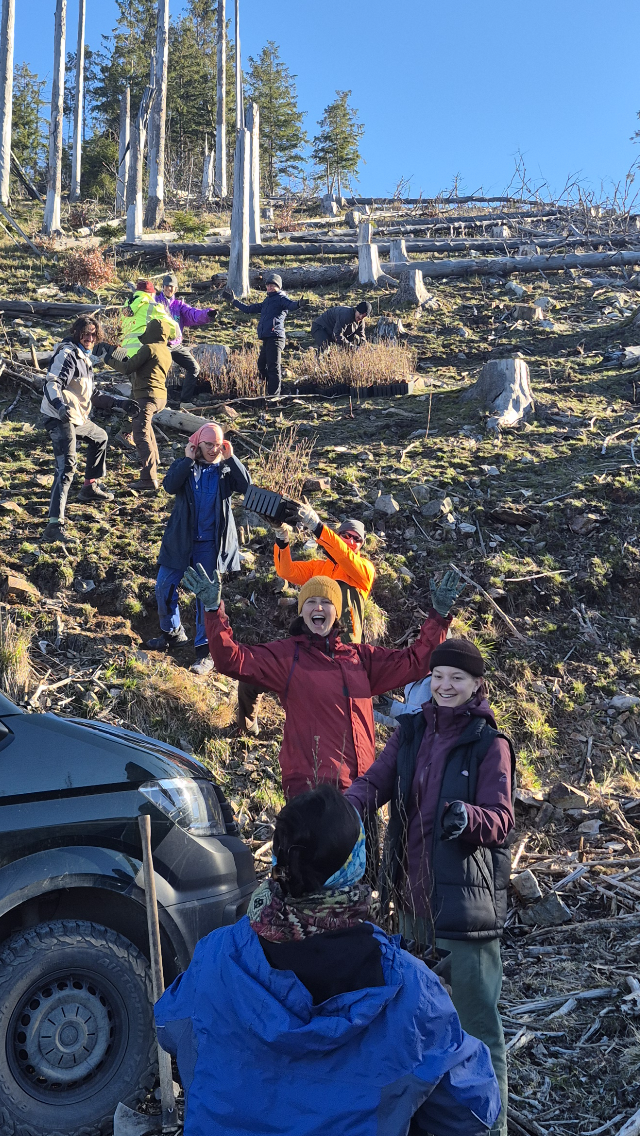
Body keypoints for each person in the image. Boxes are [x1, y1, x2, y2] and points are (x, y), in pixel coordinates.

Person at [155, 784, 501, 1136]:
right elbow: (471, 1108)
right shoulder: (410, 989)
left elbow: (169, 1028)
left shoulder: (216, 955)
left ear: (279, 860)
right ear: (356, 865)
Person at [345, 639, 516, 1136]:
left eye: (457, 678)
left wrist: (469, 817)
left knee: (477, 1028)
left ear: (476, 685)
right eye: (438, 676)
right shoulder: (412, 731)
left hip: (464, 912)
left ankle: (493, 1126)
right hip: (410, 903)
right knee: (419, 1025)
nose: (445, 685)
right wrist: (339, 809)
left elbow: (502, 819)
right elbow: (374, 783)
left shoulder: (490, 744)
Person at [181, 562, 462, 800]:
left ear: (336, 612)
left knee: (364, 852)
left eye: (326, 602)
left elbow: (415, 662)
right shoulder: (287, 656)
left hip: (363, 791)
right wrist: (213, 609)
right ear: (302, 612)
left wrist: (438, 616)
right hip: (312, 791)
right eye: (311, 602)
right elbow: (232, 659)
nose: (319, 606)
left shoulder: (361, 659)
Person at [235, 509, 377, 738]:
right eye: (346, 535)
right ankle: (247, 728)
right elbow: (286, 570)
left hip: (341, 655)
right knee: (252, 673)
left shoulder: (363, 570)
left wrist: (317, 526)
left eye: (357, 539)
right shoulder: (318, 568)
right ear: (338, 535)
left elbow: (343, 556)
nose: (351, 541)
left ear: (361, 545)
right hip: (307, 646)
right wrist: (282, 537)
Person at [147, 422, 250, 676]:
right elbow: (169, 486)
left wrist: (232, 458)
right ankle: (172, 633)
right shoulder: (186, 466)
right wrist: (187, 460)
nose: (213, 450)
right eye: (208, 445)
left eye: (218, 445)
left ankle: (206, 651)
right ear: (197, 444)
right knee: (163, 586)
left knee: (206, 597)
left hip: (210, 546)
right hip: (180, 540)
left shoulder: (225, 470)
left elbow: (246, 485)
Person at [40, 316, 139, 545]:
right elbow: (52, 382)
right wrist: (59, 406)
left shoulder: (84, 358)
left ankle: (90, 487)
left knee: (100, 436)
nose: (90, 337)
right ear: (76, 332)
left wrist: (120, 403)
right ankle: (54, 526)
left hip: (75, 415)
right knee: (66, 467)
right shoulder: (67, 354)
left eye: (94, 334)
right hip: (59, 416)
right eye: (85, 333)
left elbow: (92, 394)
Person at [107, 318, 173, 491]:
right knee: (147, 431)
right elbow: (136, 365)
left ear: (150, 332)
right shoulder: (165, 351)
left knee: (140, 435)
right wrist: (116, 353)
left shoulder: (149, 348)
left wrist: (107, 358)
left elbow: (127, 368)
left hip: (146, 397)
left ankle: (149, 479)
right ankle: (154, 464)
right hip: (159, 398)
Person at [226, 272, 308, 397]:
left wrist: (298, 304)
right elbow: (248, 309)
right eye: (268, 285)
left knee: (273, 367)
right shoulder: (267, 301)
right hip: (267, 338)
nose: (269, 287)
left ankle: (274, 396)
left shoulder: (281, 298)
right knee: (261, 365)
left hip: (276, 337)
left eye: (272, 285)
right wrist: (233, 301)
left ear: (278, 286)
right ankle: (277, 389)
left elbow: (291, 305)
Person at [155, 273, 218, 405]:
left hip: (176, 345)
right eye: (167, 286)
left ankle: (185, 401)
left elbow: (193, 314)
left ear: (176, 289)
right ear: (162, 287)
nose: (169, 289)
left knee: (194, 368)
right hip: (160, 344)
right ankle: (156, 400)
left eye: (172, 286)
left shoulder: (179, 305)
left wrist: (208, 314)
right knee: (158, 371)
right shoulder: (155, 302)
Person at [120, 279, 179, 358]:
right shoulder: (153, 306)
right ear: (151, 294)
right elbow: (172, 327)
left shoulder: (126, 307)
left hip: (124, 353)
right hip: (142, 352)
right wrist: (174, 336)